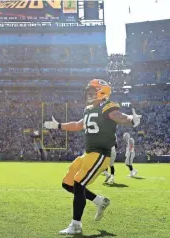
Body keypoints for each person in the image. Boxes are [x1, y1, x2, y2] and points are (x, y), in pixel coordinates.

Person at [44, 79, 142, 235]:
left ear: (102, 92)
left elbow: (117, 115)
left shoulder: (107, 106)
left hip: (100, 154)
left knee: (78, 182)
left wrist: (131, 119)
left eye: (93, 91)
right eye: (89, 91)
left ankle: (76, 225)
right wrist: (58, 126)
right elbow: (78, 124)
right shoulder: (89, 109)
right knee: (68, 183)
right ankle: (99, 201)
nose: (89, 94)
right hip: (88, 154)